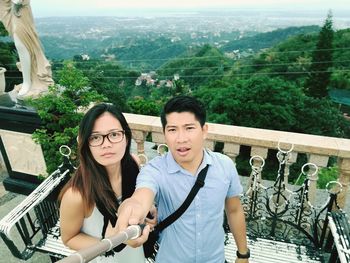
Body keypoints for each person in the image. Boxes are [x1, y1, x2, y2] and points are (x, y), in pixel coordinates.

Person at [116, 95, 249, 263]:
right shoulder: (155, 170)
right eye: (172, 130)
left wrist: (243, 253)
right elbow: (141, 196)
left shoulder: (224, 166)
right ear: (164, 133)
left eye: (189, 128)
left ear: (204, 130)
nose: (181, 138)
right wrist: (131, 210)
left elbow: (234, 210)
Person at [59, 103, 156, 263]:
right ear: (85, 143)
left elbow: (137, 198)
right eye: (95, 137)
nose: (106, 144)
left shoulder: (133, 164)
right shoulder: (77, 195)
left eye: (114, 134)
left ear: (126, 138)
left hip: (136, 254)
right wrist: (114, 241)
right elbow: (69, 238)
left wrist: (147, 209)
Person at [0, 0, 53, 98]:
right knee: (21, 45)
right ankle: (27, 81)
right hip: (13, 10)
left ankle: (27, 82)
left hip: (22, 11)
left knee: (23, 45)